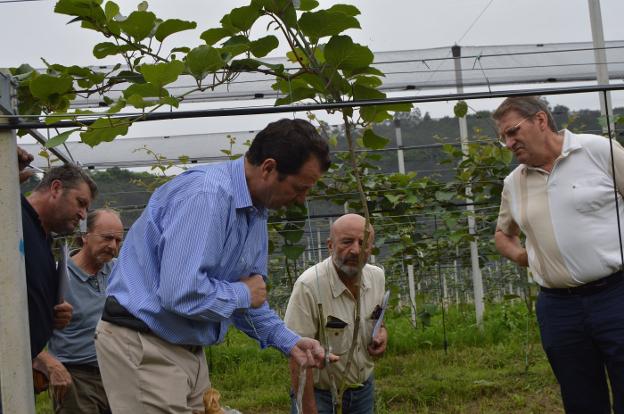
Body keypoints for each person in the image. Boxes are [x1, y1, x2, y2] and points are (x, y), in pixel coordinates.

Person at [94, 118, 334, 414]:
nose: (301, 199)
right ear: (269, 168)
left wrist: (290, 342)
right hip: (145, 344)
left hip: (185, 347)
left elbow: (250, 296)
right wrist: (243, 294)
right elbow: (181, 293)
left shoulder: (255, 211)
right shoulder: (206, 196)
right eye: (299, 188)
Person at [493, 96, 624, 414]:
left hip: (616, 294)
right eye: (503, 138)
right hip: (558, 308)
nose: (509, 143)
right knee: (580, 398)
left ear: (540, 120)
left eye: (512, 132)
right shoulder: (514, 183)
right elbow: (502, 235)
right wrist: (527, 257)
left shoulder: (598, 151)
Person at [284, 213, 387, 414]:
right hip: (320, 394)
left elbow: (378, 319)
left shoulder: (377, 277)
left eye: (363, 243)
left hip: (363, 388)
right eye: (347, 242)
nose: (355, 250)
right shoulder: (308, 286)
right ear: (330, 245)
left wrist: (382, 333)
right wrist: (308, 409)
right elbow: (297, 355)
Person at [36, 209, 123, 413]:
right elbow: (24, 328)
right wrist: (49, 364)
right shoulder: (57, 276)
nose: (113, 246)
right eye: (107, 238)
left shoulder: (119, 271)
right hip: (76, 378)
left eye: (118, 241)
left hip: (117, 375)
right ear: (85, 235)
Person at [20, 160, 98, 360]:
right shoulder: (14, 217)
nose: (82, 215)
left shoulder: (45, 238)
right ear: (56, 188)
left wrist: (50, 313)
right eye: (80, 203)